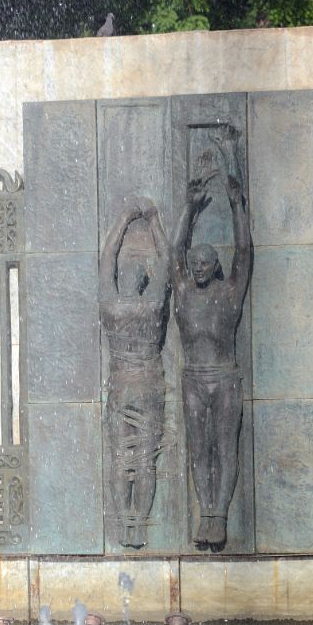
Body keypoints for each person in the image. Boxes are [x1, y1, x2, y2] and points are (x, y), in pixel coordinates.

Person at [171, 126, 252, 551]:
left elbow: (243, 251)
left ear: (215, 266)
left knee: (226, 445)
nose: (198, 265)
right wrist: (190, 207)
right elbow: (173, 252)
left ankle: (220, 514)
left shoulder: (229, 293)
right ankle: (206, 512)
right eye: (195, 261)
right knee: (199, 449)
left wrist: (237, 205)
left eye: (206, 261)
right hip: (193, 378)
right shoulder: (183, 292)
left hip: (225, 376)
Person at [100, 197, 171, 549]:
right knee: (145, 459)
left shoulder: (111, 306)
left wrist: (124, 217)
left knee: (118, 457)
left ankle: (123, 523)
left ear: (120, 280)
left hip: (120, 386)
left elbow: (106, 257)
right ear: (142, 282)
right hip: (149, 387)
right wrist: (155, 221)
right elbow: (167, 262)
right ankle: (140, 526)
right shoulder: (153, 306)